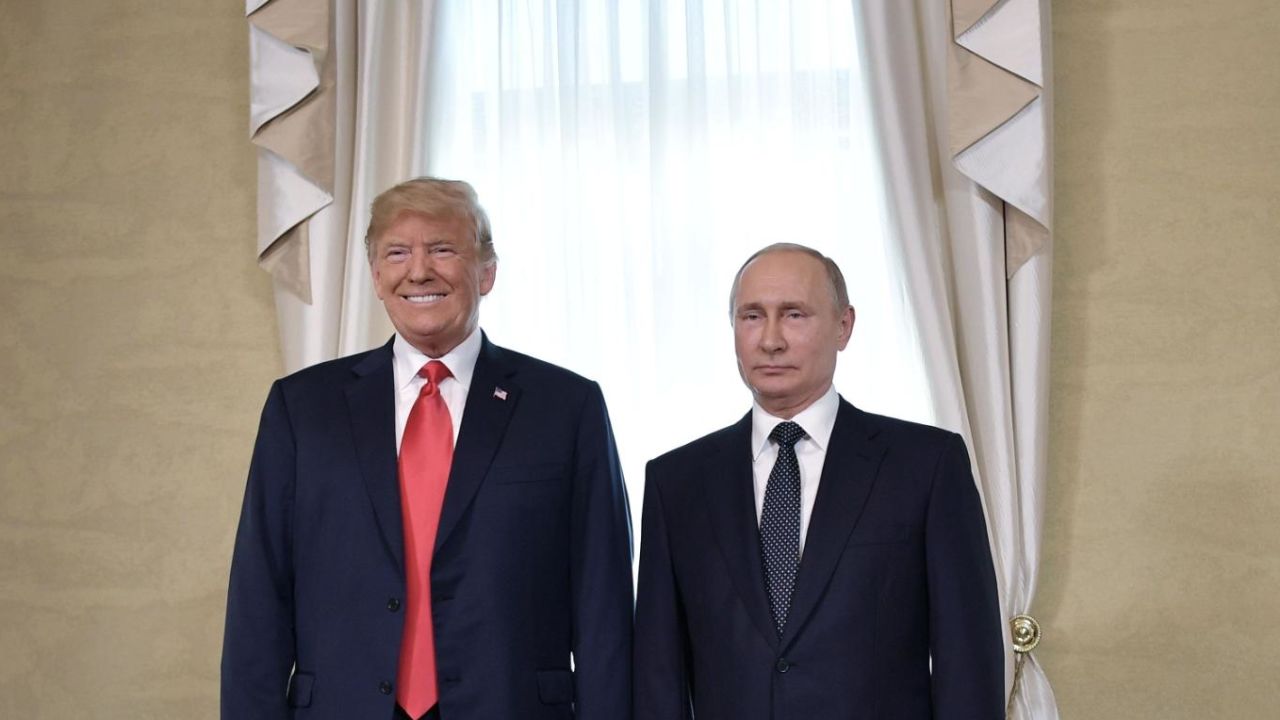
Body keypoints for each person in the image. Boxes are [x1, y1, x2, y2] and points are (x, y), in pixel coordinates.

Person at [222, 178, 633, 720]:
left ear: (486, 272)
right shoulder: (301, 410)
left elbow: (603, 607)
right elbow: (259, 599)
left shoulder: (566, 408)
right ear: (375, 276)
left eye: (442, 248)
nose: (419, 271)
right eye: (397, 253)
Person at [633, 243, 1003, 719]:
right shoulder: (676, 483)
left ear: (844, 326)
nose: (770, 340)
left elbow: (967, 663)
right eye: (751, 316)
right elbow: (658, 676)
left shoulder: (926, 466)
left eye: (793, 314)